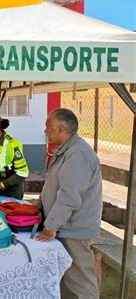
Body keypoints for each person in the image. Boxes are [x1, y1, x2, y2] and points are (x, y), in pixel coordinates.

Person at [36, 108, 102, 298]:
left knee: (80, 282)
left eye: (48, 127)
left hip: (75, 228)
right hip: (65, 225)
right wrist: (39, 208)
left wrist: (51, 225)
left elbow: (69, 195)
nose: (45, 131)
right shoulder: (67, 150)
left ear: (60, 129)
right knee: (66, 281)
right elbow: (53, 186)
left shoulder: (78, 154)